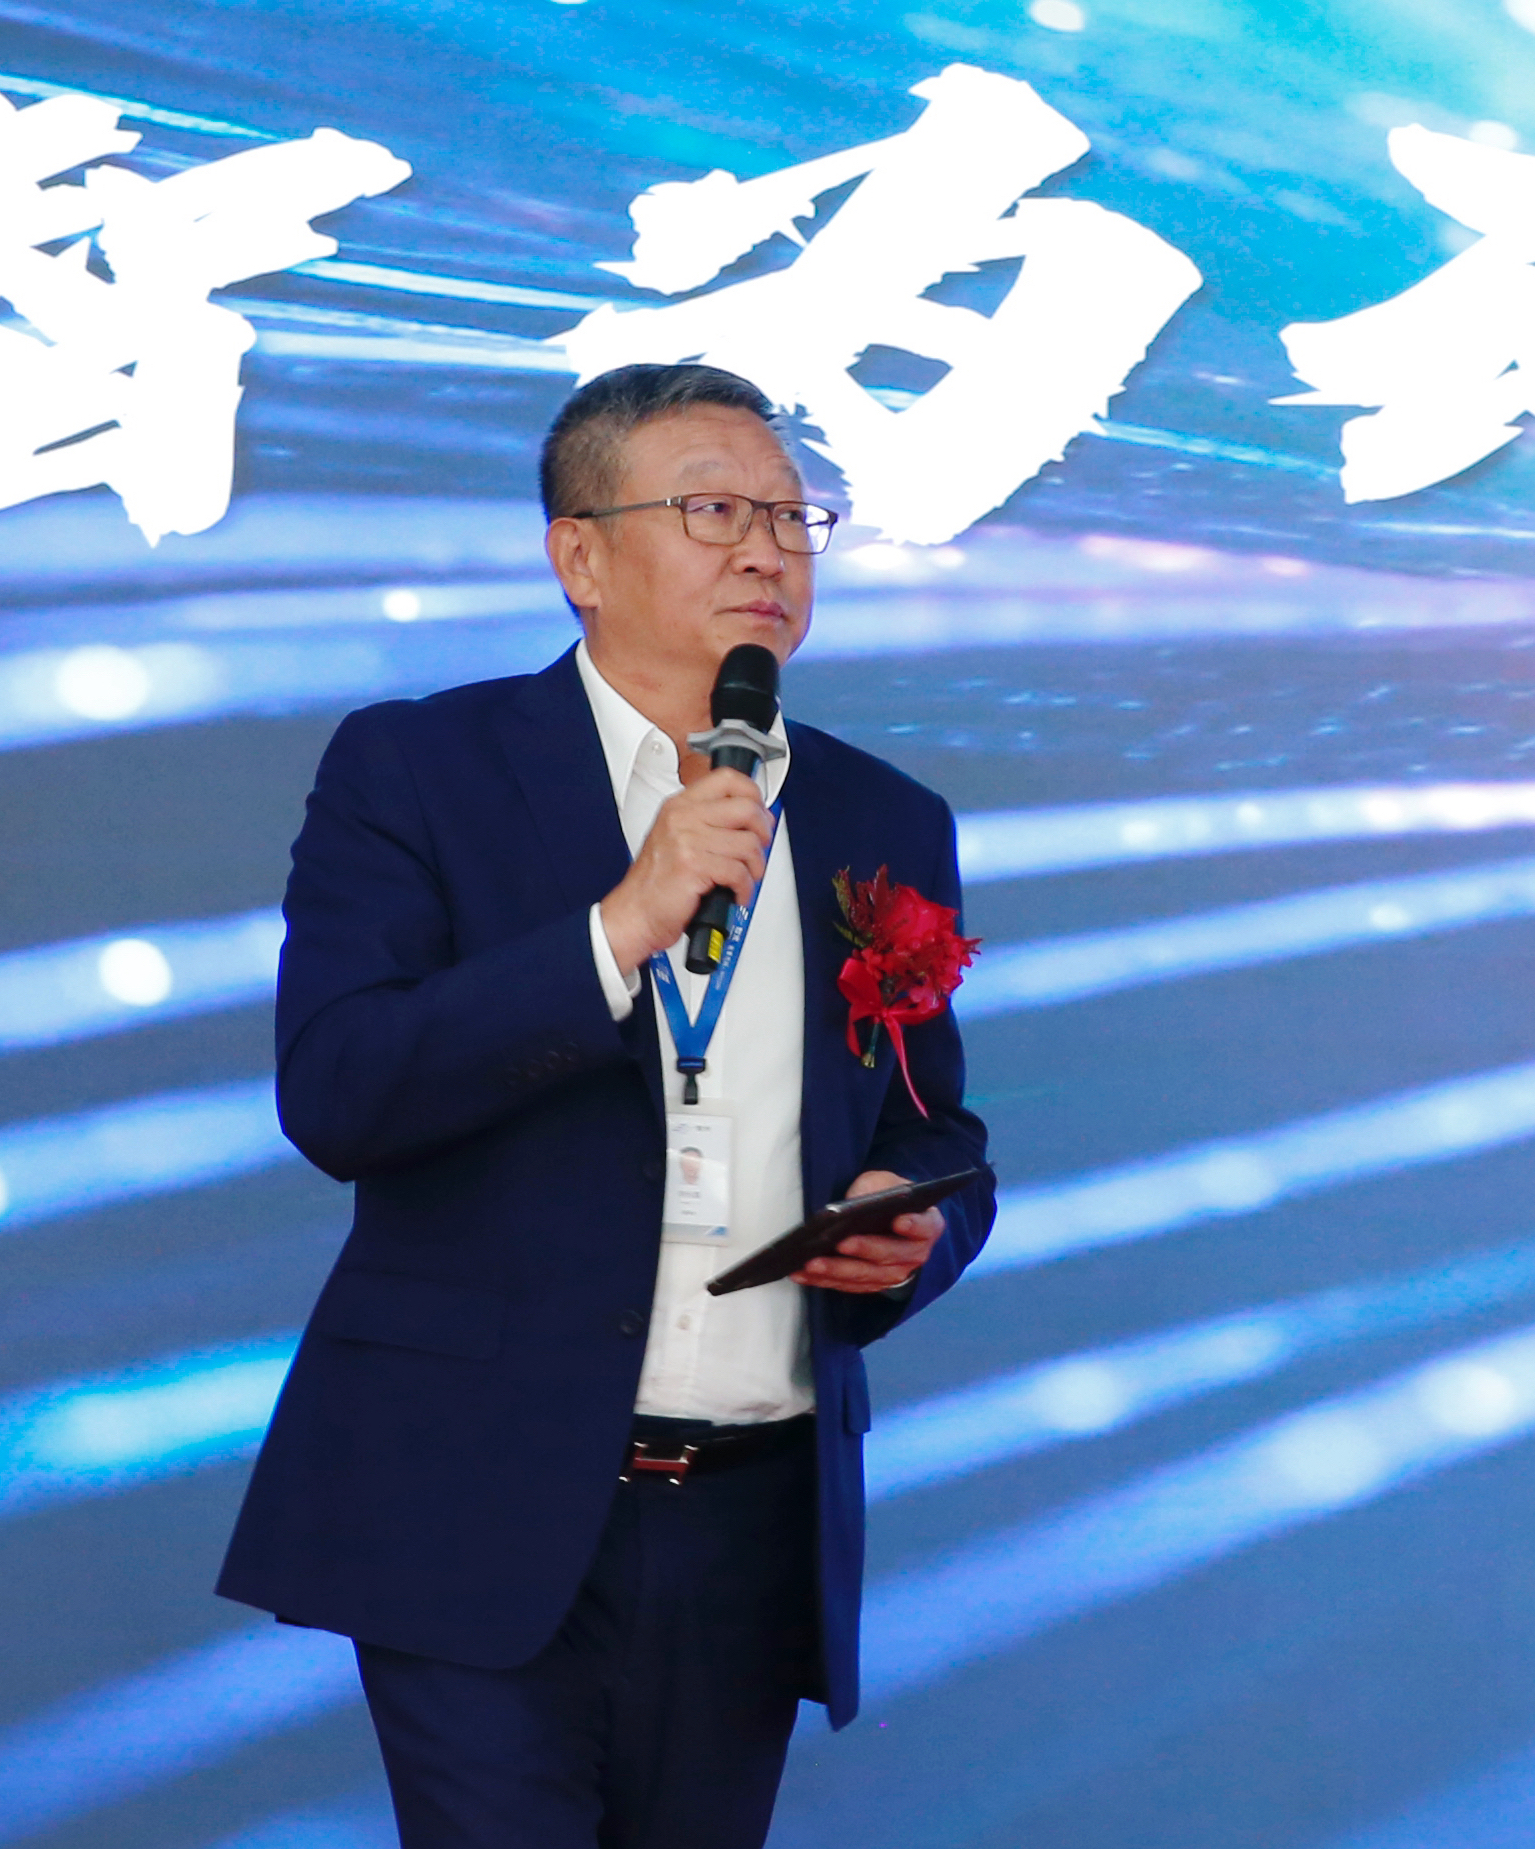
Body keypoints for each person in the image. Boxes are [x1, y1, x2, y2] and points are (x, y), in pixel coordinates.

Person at [216, 361, 996, 1848]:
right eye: (713, 511)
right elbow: (340, 1089)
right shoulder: (419, 768)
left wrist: (913, 1227)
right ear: (579, 555)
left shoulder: (883, 819)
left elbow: (932, 1125)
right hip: (477, 1487)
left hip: (755, 1508)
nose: (766, 551)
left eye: (792, 516)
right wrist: (619, 928)